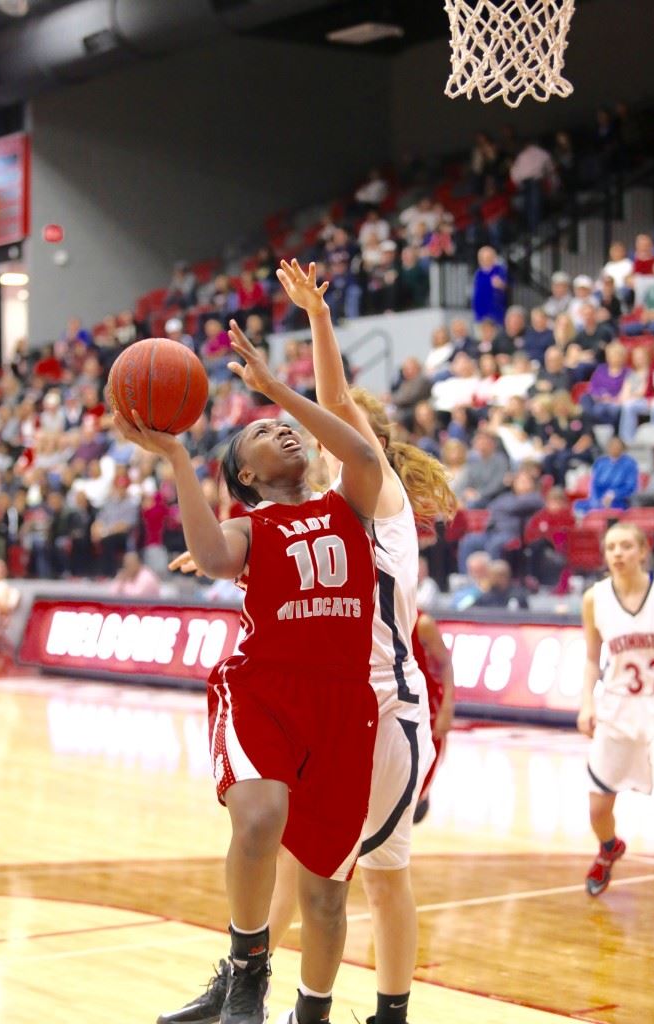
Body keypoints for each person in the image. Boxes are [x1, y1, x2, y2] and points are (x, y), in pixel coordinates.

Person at [165, 262, 456, 1024]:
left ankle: (383, 1012)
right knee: (293, 867)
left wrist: (311, 338)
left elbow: (331, 409)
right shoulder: (305, 511)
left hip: (384, 711)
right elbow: (263, 538)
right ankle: (238, 981)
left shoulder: (375, 501)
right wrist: (219, 546)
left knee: (380, 877)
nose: (304, 432)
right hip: (318, 706)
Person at [120, 319, 383, 1024]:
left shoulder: (348, 506)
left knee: (326, 891)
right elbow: (207, 556)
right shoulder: (247, 528)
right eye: (263, 434)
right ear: (247, 477)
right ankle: (246, 969)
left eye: (285, 427)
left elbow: (360, 451)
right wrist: (176, 454)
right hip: (263, 690)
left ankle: (314, 1012)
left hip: (343, 708)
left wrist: (275, 389)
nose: (283, 432)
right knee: (261, 815)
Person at [577, 524, 654, 896]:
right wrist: (587, 702)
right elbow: (592, 658)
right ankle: (609, 848)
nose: (618, 553)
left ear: (643, 551)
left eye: (626, 546)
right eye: (611, 547)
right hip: (617, 708)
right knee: (597, 810)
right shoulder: (595, 598)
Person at [411, 611, 455, 824]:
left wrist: (447, 707)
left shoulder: (422, 623)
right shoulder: (375, 615)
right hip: (393, 712)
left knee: (417, 790)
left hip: (427, 714)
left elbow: (446, 663)